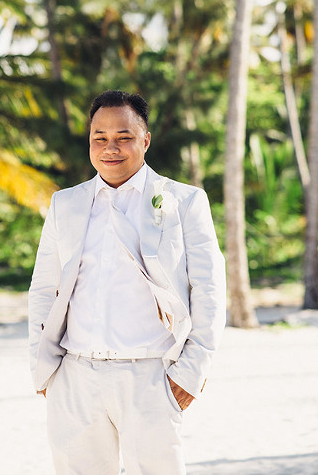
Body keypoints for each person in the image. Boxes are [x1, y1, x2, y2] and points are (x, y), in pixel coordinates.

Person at [28, 90, 226, 474]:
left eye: (124, 137)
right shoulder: (65, 203)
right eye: (99, 138)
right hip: (74, 376)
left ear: (145, 139)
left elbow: (209, 290)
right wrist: (43, 364)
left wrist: (191, 371)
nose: (110, 148)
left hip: (152, 375)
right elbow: (43, 289)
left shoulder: (184, 201)